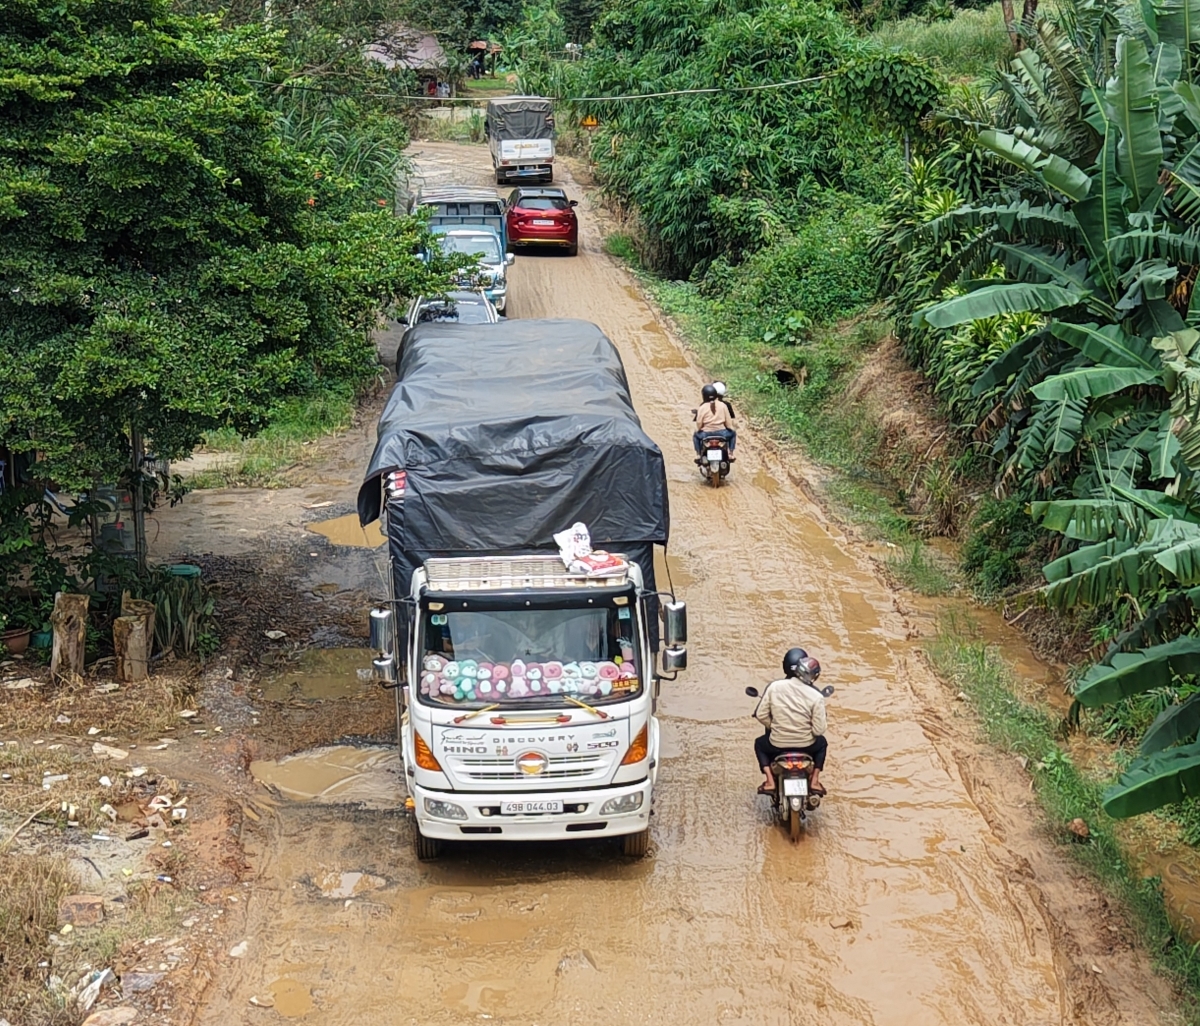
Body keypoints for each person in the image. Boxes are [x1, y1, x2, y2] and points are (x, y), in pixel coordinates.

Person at [754, 649, 828, 796]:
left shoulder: (774, 687)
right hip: (807, 746)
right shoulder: (816, 696)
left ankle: (769, 780)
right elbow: (819, 731)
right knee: (822, 744)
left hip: (777, 744)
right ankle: (815, 780)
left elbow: (760, 715)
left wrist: (773, 726)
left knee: (759, 744)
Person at [693, 383, 736, 463]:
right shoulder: (723, 405)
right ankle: (731, 454)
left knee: (695, 436)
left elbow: (699, 424)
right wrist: (731, 429)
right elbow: (728, 423)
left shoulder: (702, 407)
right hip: (722, 434)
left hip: (705, 434)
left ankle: (698, 454)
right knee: (733, 434)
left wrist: (698, 430)